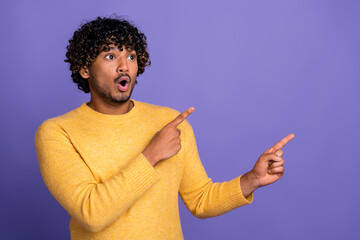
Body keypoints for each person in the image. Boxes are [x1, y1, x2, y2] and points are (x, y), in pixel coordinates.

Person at [35, 16, 294, 240]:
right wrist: (152, 154)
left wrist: (253, 180)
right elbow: (91, 213)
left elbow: (201, 200)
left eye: (132, 56)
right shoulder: (58, 132)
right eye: (111, 56)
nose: (124, 65)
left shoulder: (170, 122)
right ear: (84, 69)